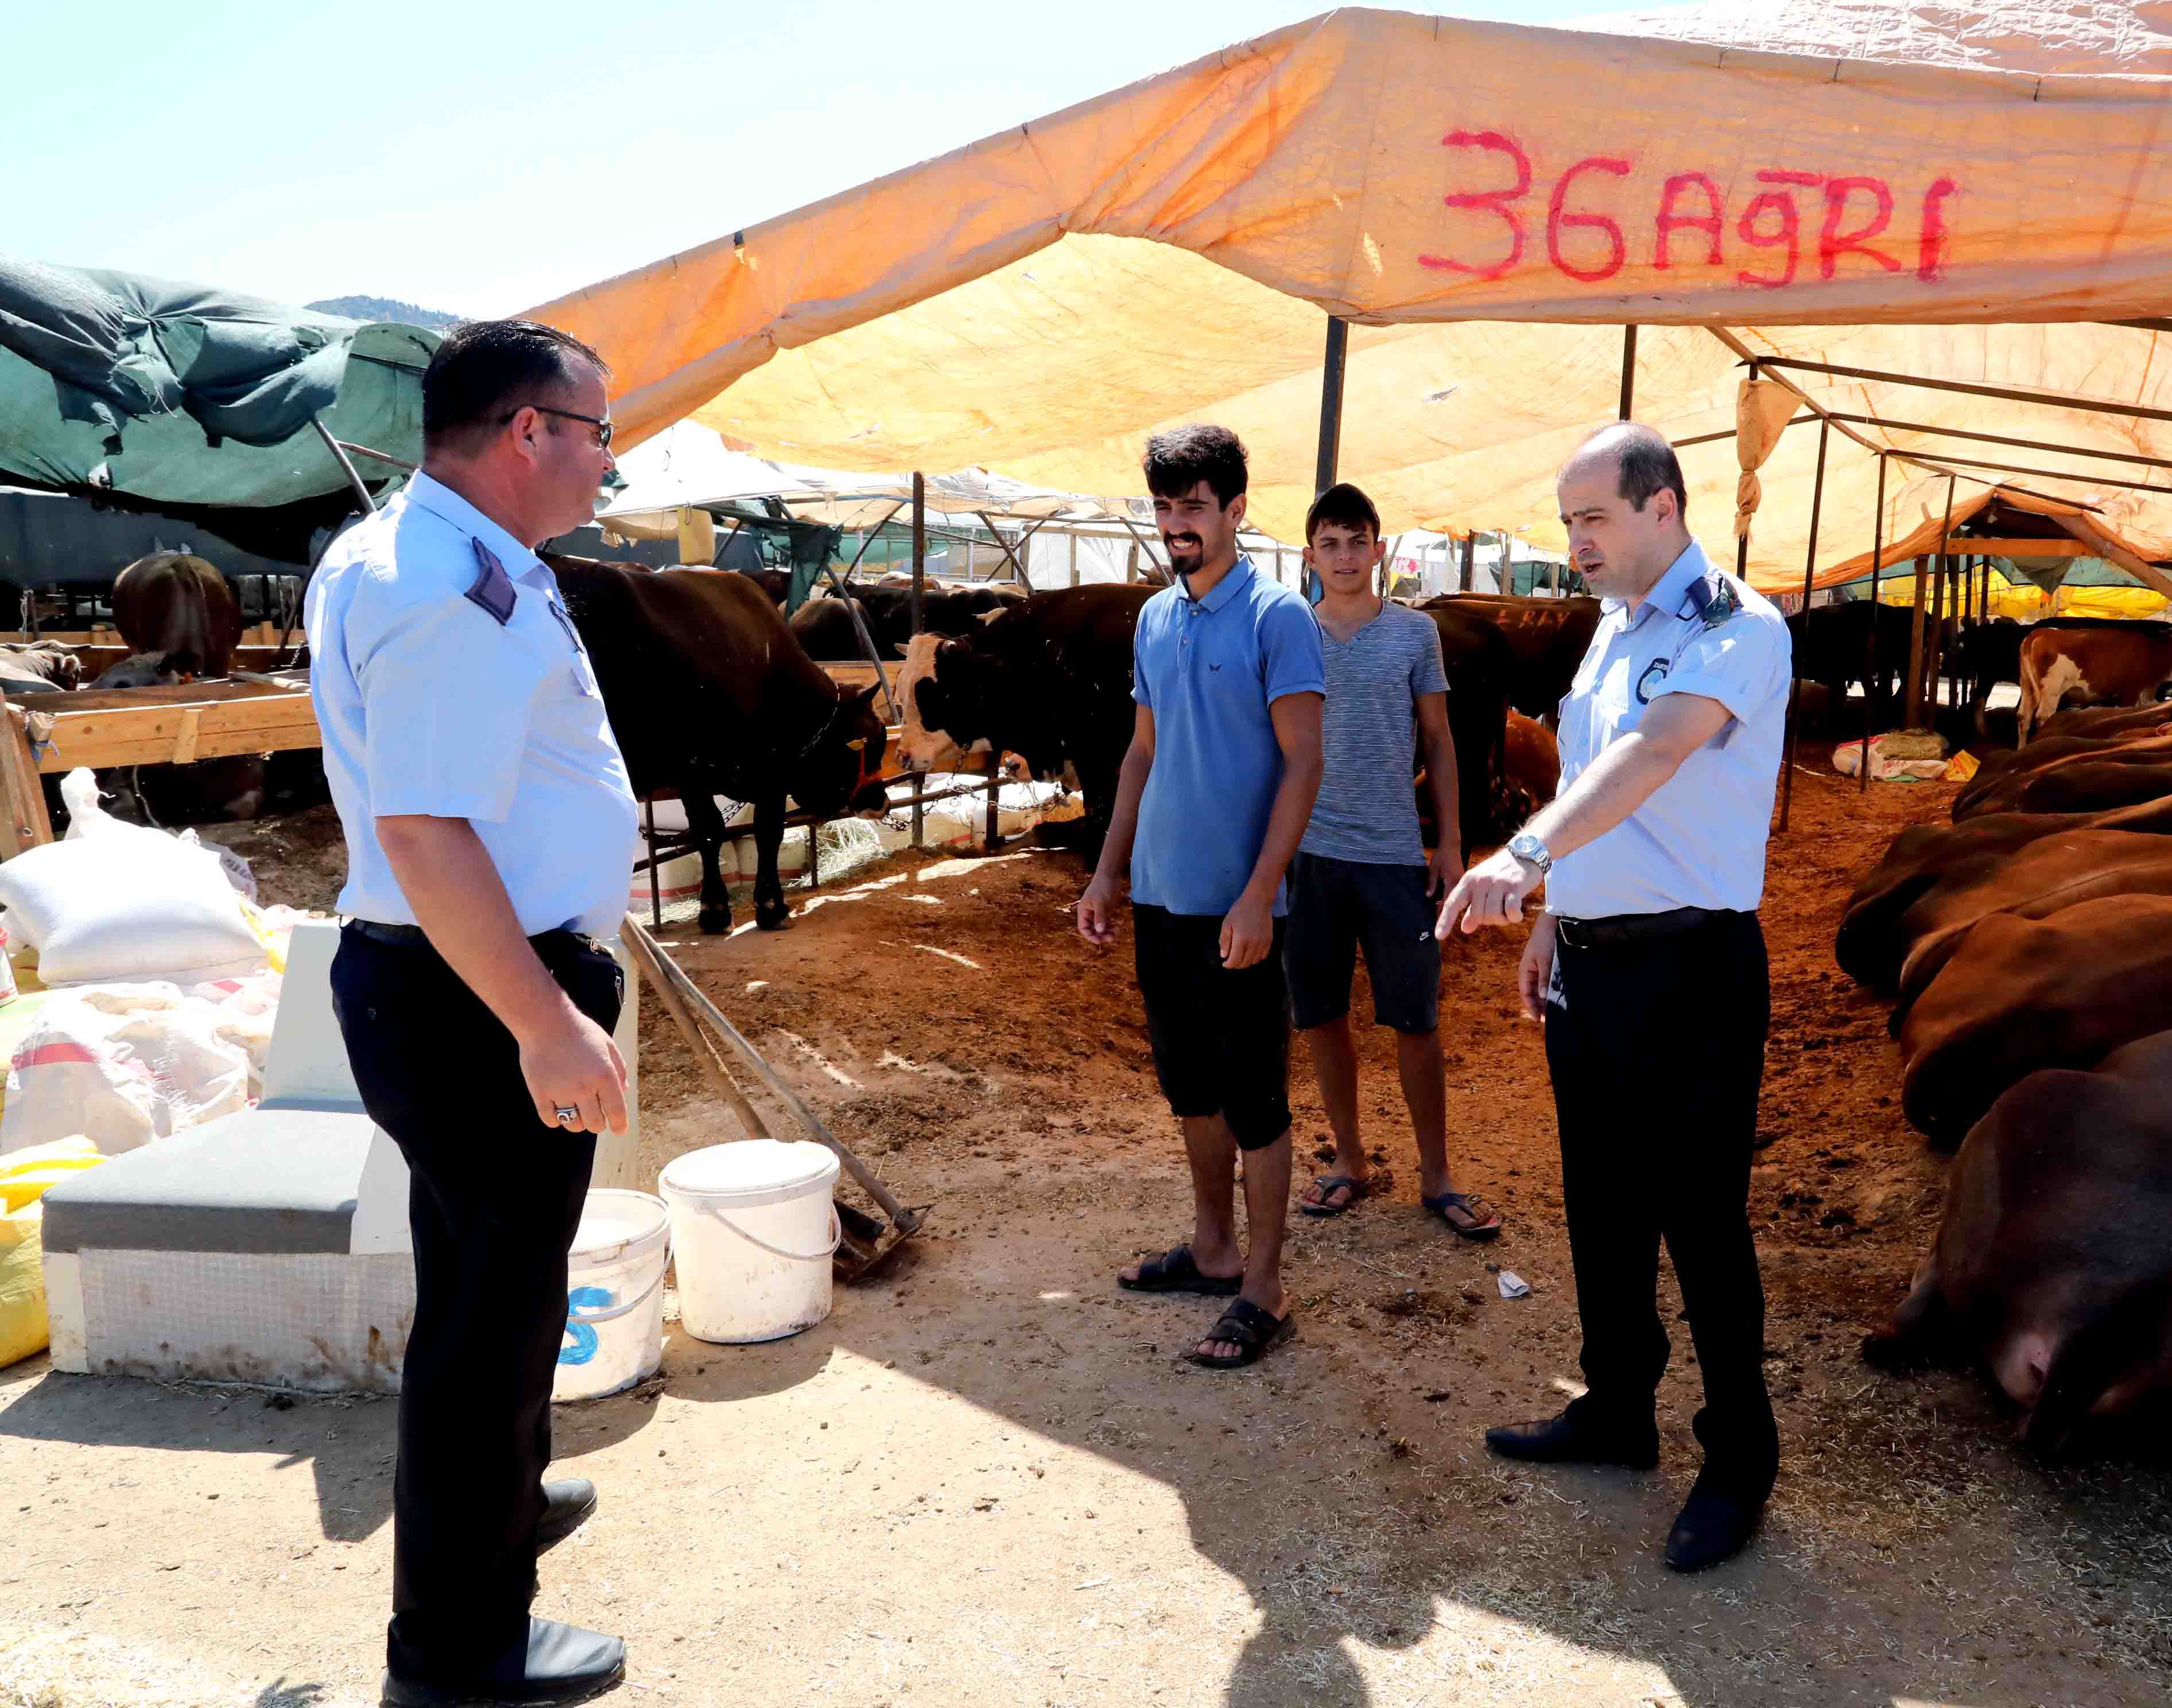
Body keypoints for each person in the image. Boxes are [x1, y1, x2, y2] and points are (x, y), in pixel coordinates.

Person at [307, 319, 638, 1705]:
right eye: (598, 434)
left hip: (455, 984)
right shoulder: (447, 587)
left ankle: (492, 1502)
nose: (607, 464)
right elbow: (429, 830)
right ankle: (456, 1655)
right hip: (473, 992)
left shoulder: (435, 552)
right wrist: (546, 1024)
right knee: (491, 1326)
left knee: (485, 1296)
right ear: (527, 431)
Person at [1436, 421, 1791, 1573]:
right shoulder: (1607, 631)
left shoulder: (1733, 627)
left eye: (1590, 517)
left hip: (1690, 970)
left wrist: (1521, 857)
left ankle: (1738, 1454)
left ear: (1662, 508)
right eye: (1567, 518)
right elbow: (1604, 785)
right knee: (1599, 1201)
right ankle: (1616, 1410)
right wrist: (1554, 917)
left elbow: (1648, 759)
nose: (1572, 540)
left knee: (1698, 1215)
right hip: (1592, 959)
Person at [1077, 424, 1325, 1370]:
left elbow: (1305, 763)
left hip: (1243, 907)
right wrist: (1108, 871)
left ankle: (1265, 1283)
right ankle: (1214, 1247)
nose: (1178, 525)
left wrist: (1263, 894)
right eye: (1166, 507)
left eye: (1195, 507)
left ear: (1236, 510)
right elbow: (1141, 753)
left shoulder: (1277, 617)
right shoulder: (1155, 619)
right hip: (1165, 901)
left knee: (1255, 1095)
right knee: (1190, 1085)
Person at [1287, 483, 1500, 1239]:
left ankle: (1436, 1174)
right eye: (1329, 543)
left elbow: (1440, 740)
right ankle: (1349, 1159)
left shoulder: (1415, 636)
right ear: (1309, 554)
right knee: (1321, 1014)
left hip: (1392, 856)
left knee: (1416, 1017)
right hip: (1307, 854)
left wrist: (1447, 841)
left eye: (1357, 542)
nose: (1344, 557)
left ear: (1380, 551)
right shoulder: (1286, 633)